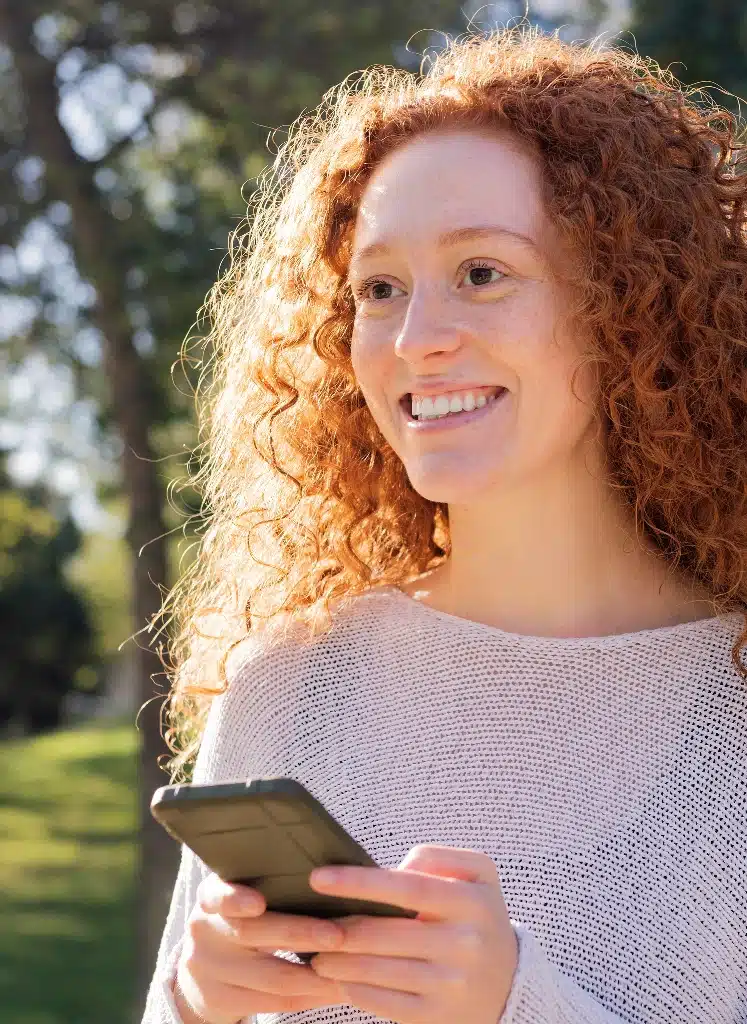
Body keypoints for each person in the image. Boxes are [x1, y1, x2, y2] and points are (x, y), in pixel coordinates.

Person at [141, 25, 747, 1024]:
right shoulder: (289, 683)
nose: (417, 339)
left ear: (629, 303)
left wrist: (513, 1005)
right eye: (380, 290)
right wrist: (196, 1005)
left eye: (481, 273)